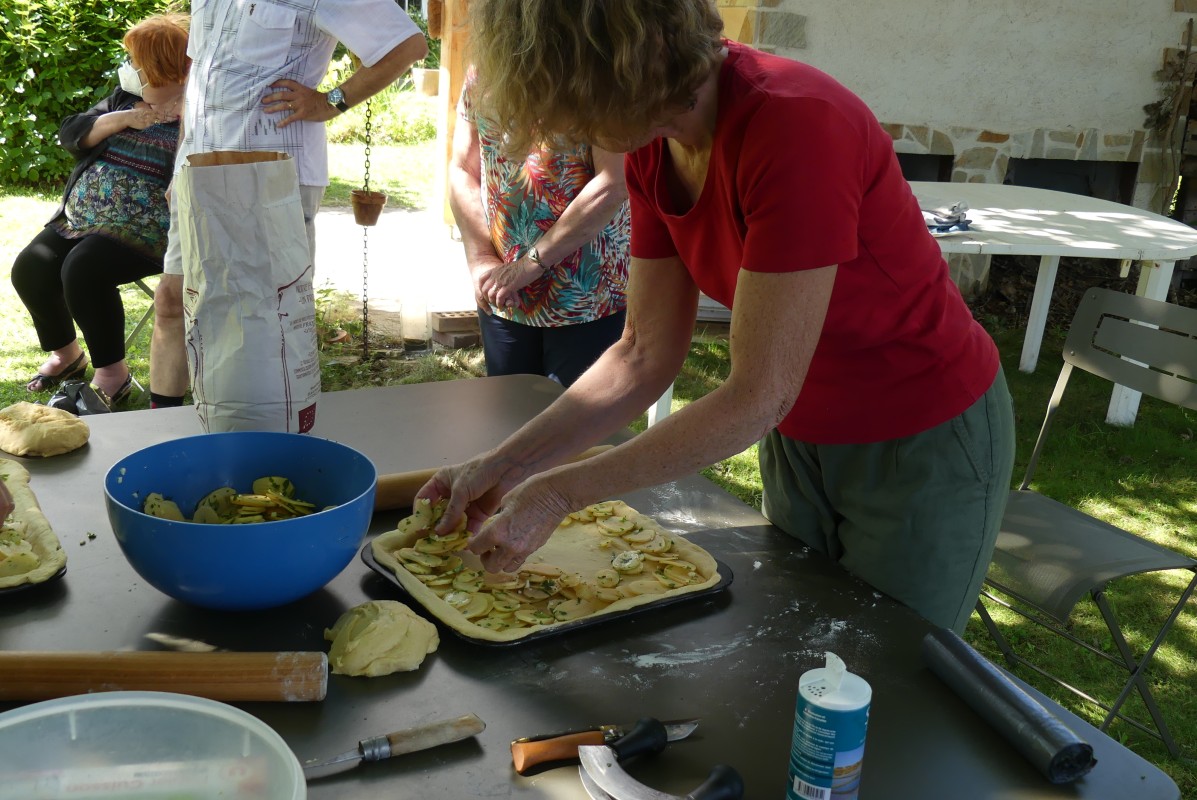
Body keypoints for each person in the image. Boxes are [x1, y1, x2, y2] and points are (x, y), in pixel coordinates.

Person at [418, 0, 1016, 635]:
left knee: (890, 673)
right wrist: (508, 466)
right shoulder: (653, 144)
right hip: (801, 433)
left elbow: (757, 394)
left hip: (920, 435)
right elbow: (641, 354)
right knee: (798, 644)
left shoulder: (796, 125)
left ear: (615, 70)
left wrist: (564, 490)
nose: (563, 126)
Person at [148, 0, 426, 409]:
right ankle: (164, 430)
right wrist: (179, 163)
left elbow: (406, 45)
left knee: (262, 320)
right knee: (173, 299)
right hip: (198, 171)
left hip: (271, 174)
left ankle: (264, 438)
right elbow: (199, 77)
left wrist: (330, 100)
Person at [11, 14, 190, 409]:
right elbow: (72, 132)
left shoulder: (200, 110)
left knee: (84, 268)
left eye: (138, 63)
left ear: (163, 69)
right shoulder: (124, 98)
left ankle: (113, 374)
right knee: (30, 267)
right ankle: (67, 355)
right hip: (82, 220)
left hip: (146, 229)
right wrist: (122, 118)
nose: (131, 70)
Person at [448, 68, 630, 387]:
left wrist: (529, 265)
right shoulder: (486, 69)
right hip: (503, 292)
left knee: (578, 428)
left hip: (587, 293)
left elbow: (613, 183)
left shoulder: (602, 71)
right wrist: (481, 260)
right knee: (506, 418)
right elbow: (463, 168)